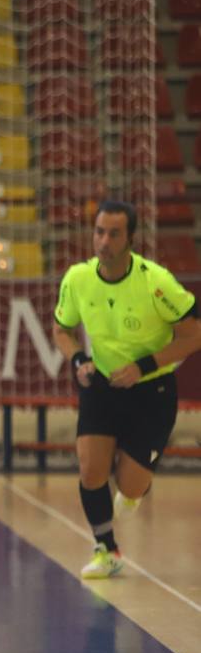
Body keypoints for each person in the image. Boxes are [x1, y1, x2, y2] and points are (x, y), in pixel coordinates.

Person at [52, 200, 200, 579]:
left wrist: (143, 366)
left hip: (152, 391)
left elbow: (193, 334)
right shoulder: (78, 279)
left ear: (130, 239)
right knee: (90, 470)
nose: (104, 241)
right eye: (99, 232)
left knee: (131, 486)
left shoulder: (156, 282)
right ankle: (107, 549)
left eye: (114, 233)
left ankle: (135, 487)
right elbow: (61, 329)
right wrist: (77, 360)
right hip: (102, 385)